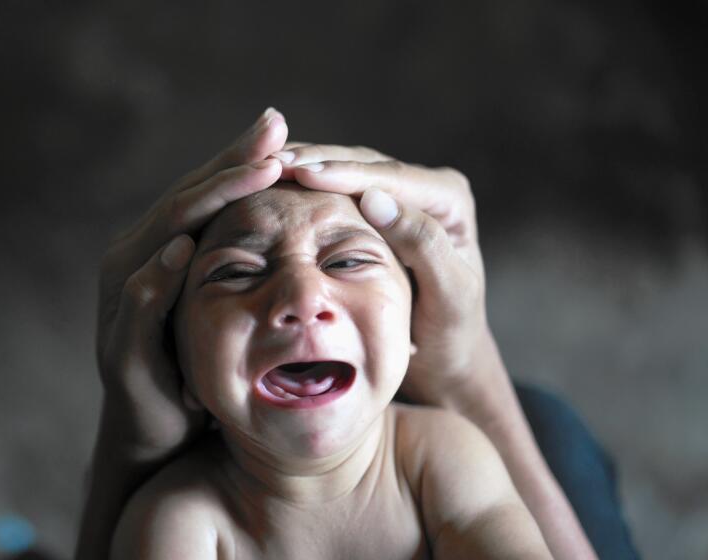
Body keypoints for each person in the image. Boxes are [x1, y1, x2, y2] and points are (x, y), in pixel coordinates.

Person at [76, 108, 635, 559]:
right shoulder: (181, 521)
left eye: (347, 262)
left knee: (544, 418)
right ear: (179, 370)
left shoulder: (441, 456)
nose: (302, 299)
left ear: (418, 328)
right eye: (237, 272)